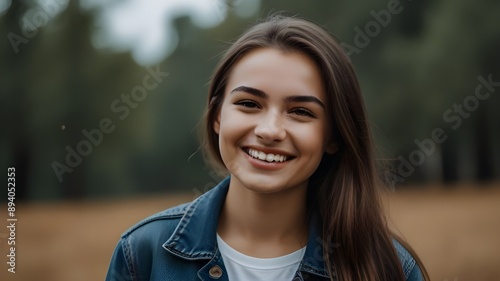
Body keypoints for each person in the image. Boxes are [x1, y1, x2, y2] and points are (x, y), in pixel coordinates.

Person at [105, 14, 429, 281]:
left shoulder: (390, 270)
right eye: (248, 103)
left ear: (333, 136)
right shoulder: (143, 254)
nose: (270, 130)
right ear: (218, 116)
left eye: (301, 111)